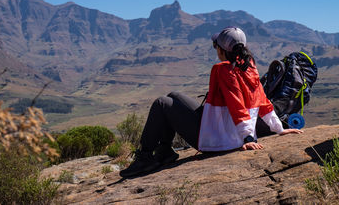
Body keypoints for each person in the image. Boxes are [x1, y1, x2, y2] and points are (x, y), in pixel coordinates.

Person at [119, 26, 303, 178]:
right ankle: (164, 151)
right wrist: (278, 128)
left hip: (219, 138)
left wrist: (246, 137)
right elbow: (262, 100)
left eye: (216, 46)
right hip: (227, 128)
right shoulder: (248, 65)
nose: (215, 50)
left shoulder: (223, 69)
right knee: (173, 95)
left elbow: (236, 103)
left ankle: (144, 158)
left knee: (161, 103)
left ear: (222, 50)